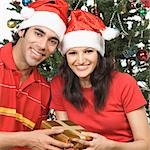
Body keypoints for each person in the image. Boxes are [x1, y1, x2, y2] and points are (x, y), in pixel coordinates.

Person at [50, 9, 150, 150]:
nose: (80, 60)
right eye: (72, 53)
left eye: (88, 51)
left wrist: (111, 146)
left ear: (99, 54)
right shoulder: (59, 84)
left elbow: (145, 145)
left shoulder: (124, 83)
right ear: (66, 57)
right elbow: (67, 136)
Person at [0, 0, 73, 149]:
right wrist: (26, 140)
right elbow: (30, 140)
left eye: (52, 41)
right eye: (38, 33)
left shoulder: (44, 90)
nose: (42, 46)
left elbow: (36, 142)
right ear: (22, 31)